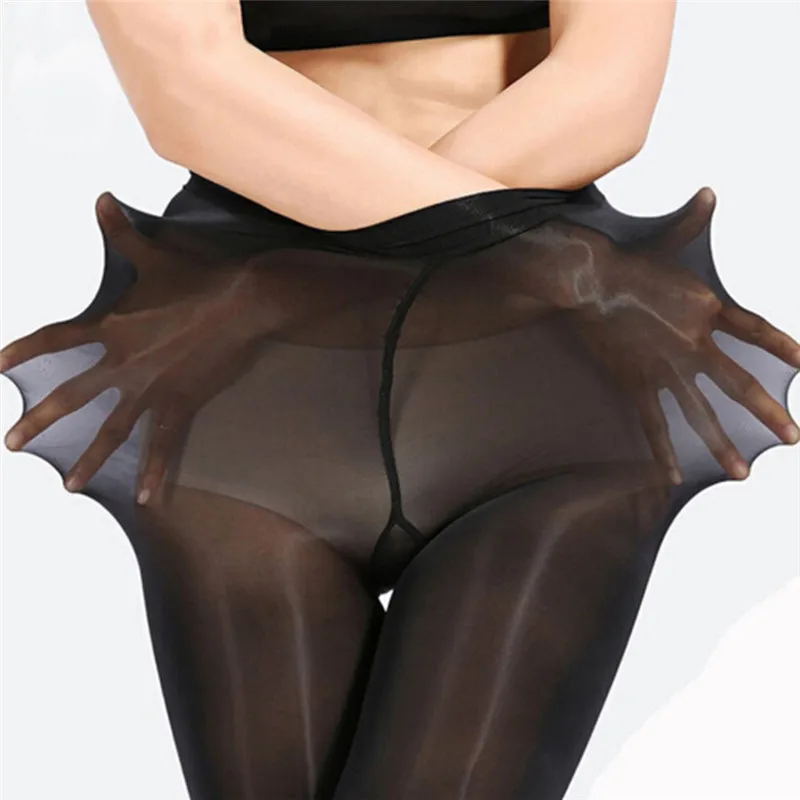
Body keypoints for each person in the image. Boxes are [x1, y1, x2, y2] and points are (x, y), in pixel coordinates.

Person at [2, 1, 798, 798]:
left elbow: (608, 90)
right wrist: (552, 263)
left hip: (517, 358)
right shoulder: (570, 277)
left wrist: (315, 272)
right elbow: (187, 85)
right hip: (298, 356)